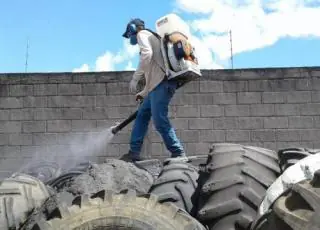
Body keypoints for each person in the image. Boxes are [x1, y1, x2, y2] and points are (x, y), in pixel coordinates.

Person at [119, 18, 186, 162]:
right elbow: (153, 70)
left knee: (160, 120)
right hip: (157, 85)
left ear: (133, 28)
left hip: (162, 84)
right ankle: (134, 152)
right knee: (142, 115)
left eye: (129, 33)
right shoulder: (153, 37)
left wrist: (135, 78)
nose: (130, 37)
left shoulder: (142, 34)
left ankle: (178, 152)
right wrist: (143, 92)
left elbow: (147, 55)